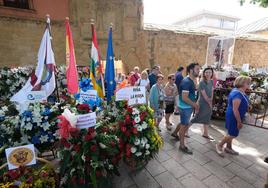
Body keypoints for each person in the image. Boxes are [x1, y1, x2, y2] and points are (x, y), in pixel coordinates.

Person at [216, 76, 251, 156]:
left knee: (230, 132)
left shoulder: (240, 91)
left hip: (235, 115)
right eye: (247, 82)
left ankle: (228, 148)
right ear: (242, 83)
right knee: (232, 134)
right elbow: (235, 109)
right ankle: (219, 145)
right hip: (234, 116)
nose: (249, 84)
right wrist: (239, 122)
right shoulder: (237, 94)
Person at [171, 63, 200, 155]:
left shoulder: (191, 80)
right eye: (197, 69)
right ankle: (182, 146)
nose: (199, 71)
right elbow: (184, 98)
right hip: (185, 107)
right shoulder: (187, 82)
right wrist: (195, 105)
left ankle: (175, 133)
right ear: (191, 70)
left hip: (187, 107)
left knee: (183, 122)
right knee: (184, 126)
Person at [191, 67, 214, 140]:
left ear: (212, 73)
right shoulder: (201, 82)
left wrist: (211, 99)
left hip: (209, 102)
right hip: (203, 103)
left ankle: (205, 133)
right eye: (206, 72)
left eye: (209, 72)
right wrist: (210, 103)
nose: (208, 74)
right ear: (204, 73)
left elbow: (212, 91)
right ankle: (184, 130)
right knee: (196, 118)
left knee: (207, 118)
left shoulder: (211, 81)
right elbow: (204, 96)